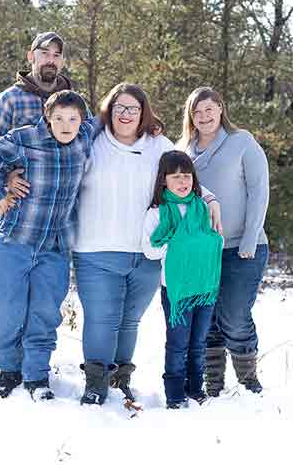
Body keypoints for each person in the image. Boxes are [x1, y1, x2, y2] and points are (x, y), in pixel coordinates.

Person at [69, 83, 221, 406]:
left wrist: (209, 199)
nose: (126, 115)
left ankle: (121, 379)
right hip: (97, 250)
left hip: (146, 255)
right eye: (119, 108)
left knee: (129, 320)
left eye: (133, 109)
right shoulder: (90, 142)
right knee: (101, 319)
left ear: (143, 113)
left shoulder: (158, 145)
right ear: (109, 111)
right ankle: (96, 385)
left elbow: (184, 176)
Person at [0, 31, 72, 393]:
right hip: (12, 216)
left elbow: (97, 135)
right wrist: (6, 179)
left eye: (58, 55)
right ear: (32, 56)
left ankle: (27, 365)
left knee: (40, 299)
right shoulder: (11, 100)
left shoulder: (70, 104)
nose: (51, 60)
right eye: (45, 53)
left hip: (51, 224)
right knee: (0, 296)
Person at [0, 90, 97, 401]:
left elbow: (118, 120)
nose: (66, 125)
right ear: (47, 118)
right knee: (6, 311)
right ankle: (9, 370)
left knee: (44, 314)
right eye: (58, 118)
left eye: (73, 119)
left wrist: (149, 125)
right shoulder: (25, 139)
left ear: (82, 121)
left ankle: (36, 376)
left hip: (53, 246)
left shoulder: (84, 137)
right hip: (15, 241)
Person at [179, 86, 270, 396]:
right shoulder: (184, 150)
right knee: (208, 319)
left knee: (234, 314)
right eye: (197, 111)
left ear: (220, 109)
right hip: (201, 250)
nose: (203, 116)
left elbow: (259, 192)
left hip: (241, 247)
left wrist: (249, 239)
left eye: (209, 109)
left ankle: (248, 383)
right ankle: (213, 385)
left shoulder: (241, 142)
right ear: (190, 116)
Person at [142, 151, 223, 409]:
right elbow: (150, 249)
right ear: (164, 180)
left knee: (198, 342)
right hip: (176, 288)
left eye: (186, 176)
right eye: (175, 176)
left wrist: (196, 244)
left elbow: (214, 240)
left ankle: (195, 388)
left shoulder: (201, 207)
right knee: (178, 343)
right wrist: (178, 245)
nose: (182, 181)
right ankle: (175, 394)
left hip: (204, 286)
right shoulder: (158, 212)